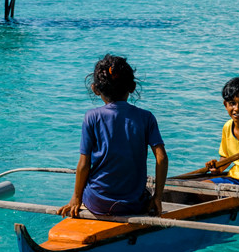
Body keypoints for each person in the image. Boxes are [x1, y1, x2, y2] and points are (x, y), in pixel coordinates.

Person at [59, 55, 168, 217]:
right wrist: (157, 197)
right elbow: (161, 158)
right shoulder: (146, 117)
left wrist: (76, 198)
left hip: (97, 203)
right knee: (145, 194)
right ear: (132, 87)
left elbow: (83, 164)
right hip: (133, 204)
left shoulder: (92, 117)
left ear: (95, 89)